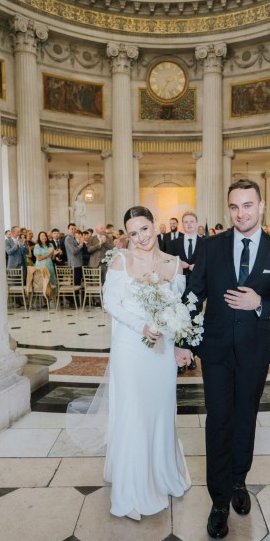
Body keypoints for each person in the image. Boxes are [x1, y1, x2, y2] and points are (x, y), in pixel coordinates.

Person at [182, 179, 270, 539]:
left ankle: (238, 481)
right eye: (234, 207)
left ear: (261, 206)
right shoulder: (211, 247)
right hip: (216, 351)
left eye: (248, 205)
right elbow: (193, 295)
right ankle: (219, 501)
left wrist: (260, 304)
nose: (240, 213)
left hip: (254, 352)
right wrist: (182, 341)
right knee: (219, 421)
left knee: (245, 418)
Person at [102, 205, 191, 520]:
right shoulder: (120, 261)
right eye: (133, 233)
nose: (140, 237)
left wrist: (175, 338)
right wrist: (141, 326)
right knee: (134, 410)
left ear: (155, 225)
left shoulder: (173, 263)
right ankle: (133, 484)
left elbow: (179, 306)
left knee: (160, 408)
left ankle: (161, 473)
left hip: (161, 352)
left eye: (144, 228)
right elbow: (110, 301)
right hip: (130, 346)